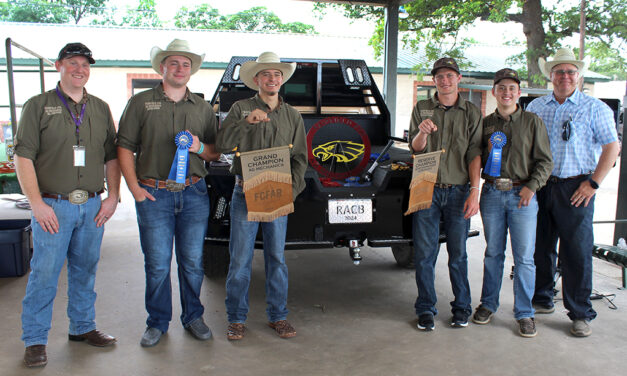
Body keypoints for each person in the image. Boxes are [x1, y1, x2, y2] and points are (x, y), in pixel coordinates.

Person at [15, 42, 120, 367]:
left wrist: (113, 197)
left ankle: (83, 327)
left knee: (85, 270)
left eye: (85, 64)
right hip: (53, 206)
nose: (79, 69)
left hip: (91, 206)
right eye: (73, 63)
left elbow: (111, 156)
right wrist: (37, 204)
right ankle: (35, 340)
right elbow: (23, 157)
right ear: (59, 65)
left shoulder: (100, 108)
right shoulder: (38, 105)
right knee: (45, 273)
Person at [117, 39, 220, 347]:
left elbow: (214, 153)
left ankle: (193, 317)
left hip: (193, 194)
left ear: (191, 71)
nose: (180, 69)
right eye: (174, 63)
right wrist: (134, 188)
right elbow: (124, 146)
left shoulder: (202, 108)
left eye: (186, 64)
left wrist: (199, 147)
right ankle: (157, 322)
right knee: (158, 263)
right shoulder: (140, 103)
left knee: (192, 262)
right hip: (153, 194)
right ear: (162, 67)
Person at [526, 48, 619, 337]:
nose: (564, 76)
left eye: (570, 72)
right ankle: (541, 298)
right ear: (550, 76)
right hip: (541, 184)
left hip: (576, 187)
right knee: (539, 247)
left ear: (577, 76)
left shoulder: (595, 108)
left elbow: (612, 147)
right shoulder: (535, 108)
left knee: (576, 251)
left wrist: (593, 183)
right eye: (559, 72)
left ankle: (580, 312)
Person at [216, 52, 307, 340]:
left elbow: (300, 158)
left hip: (278, 193)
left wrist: (290, 189)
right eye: (266, 74)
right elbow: (223, 145)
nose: (272, 79)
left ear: (282, 80)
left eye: (277, 75)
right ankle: (236, 318)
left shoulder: (292, 115)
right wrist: (247, 123)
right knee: (240, 259)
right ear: (256, 80)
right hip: (246, 190)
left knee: (276, 258)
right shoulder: (240, 108)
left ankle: (278, 316)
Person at [472, 68, 553, 337]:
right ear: (494, 92)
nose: (506, 92)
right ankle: (488, 304)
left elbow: (544, 161)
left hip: (523, 196)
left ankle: (525, 312)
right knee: (493, 252)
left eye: (512, 88)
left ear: (519, 92)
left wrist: (532, 187)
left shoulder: (532, 122)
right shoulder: (485, 124)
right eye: (501, 88)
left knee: (524, 258)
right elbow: (475, 156)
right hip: (493, 194)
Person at [408, 57, 482, 331]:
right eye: (440, 76)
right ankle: (426, 308)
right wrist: (422, 134)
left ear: (458, 78)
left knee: (458, 254)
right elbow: (415, 149)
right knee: (425, 254)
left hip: (459, 190)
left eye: (450, 75)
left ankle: (462, 307)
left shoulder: (471, 112)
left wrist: (475, 191)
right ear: (435, 80)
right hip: (426, 188)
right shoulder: (423, 107)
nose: (445, 80)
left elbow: (475, 153)